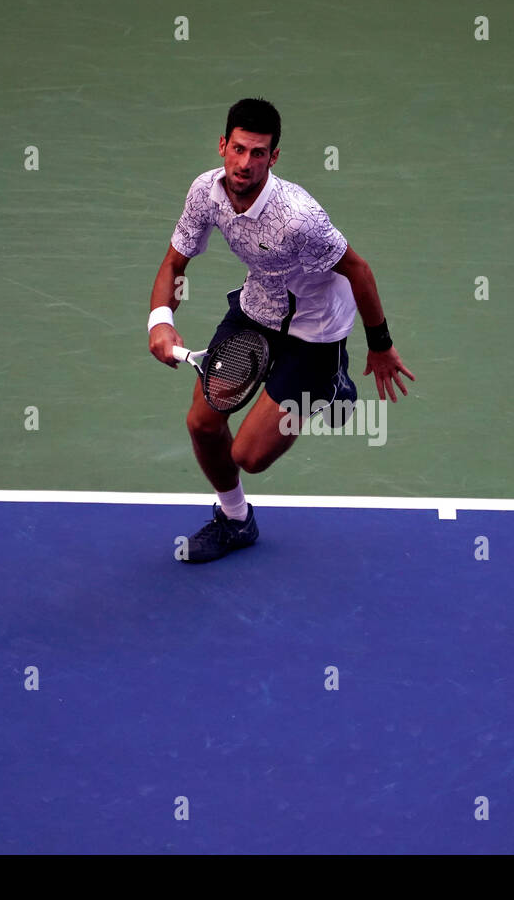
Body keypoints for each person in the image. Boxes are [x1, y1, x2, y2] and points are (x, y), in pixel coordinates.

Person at [147, 98, 414, 562]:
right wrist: (161, 321)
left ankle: (332, 386)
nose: (245, 163)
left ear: (274, 158)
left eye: (258, 153)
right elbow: (175, 262)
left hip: (314, 331)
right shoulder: (205, 193)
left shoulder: (298, 216)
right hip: (256, 311)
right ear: (222, 146)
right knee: (203, 424)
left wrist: (381, 346)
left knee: (250, 455)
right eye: (238, 149)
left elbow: (359, 271)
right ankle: (235, 521)